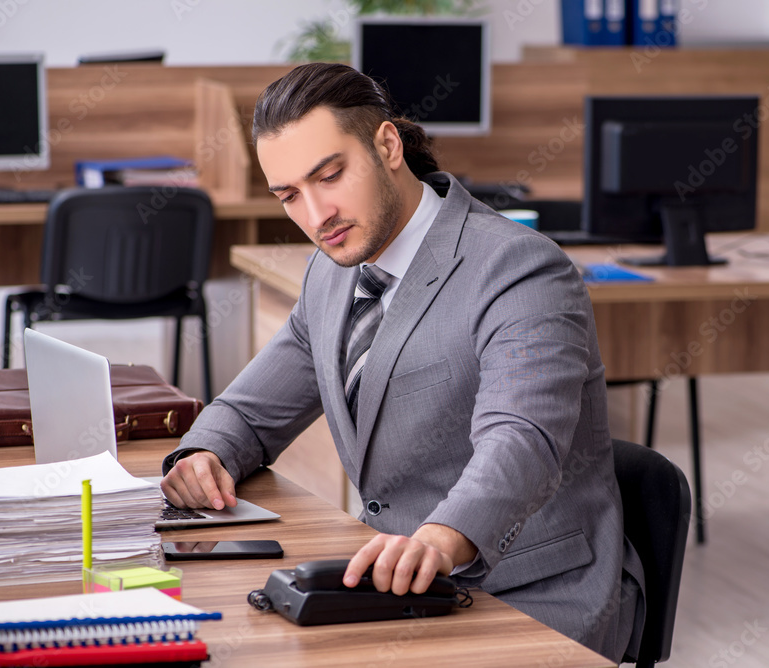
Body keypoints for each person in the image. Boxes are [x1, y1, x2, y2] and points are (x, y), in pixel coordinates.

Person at [161, 62, 643, 661]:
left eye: (330, 176)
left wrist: (442, 539)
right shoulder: (332, 272)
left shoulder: (518, 267)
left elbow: (523, 438)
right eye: (289, 196)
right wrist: (203, 453)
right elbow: (253, 410)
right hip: (399, 585)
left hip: (531, 596)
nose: (316, 217)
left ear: (388, 144)